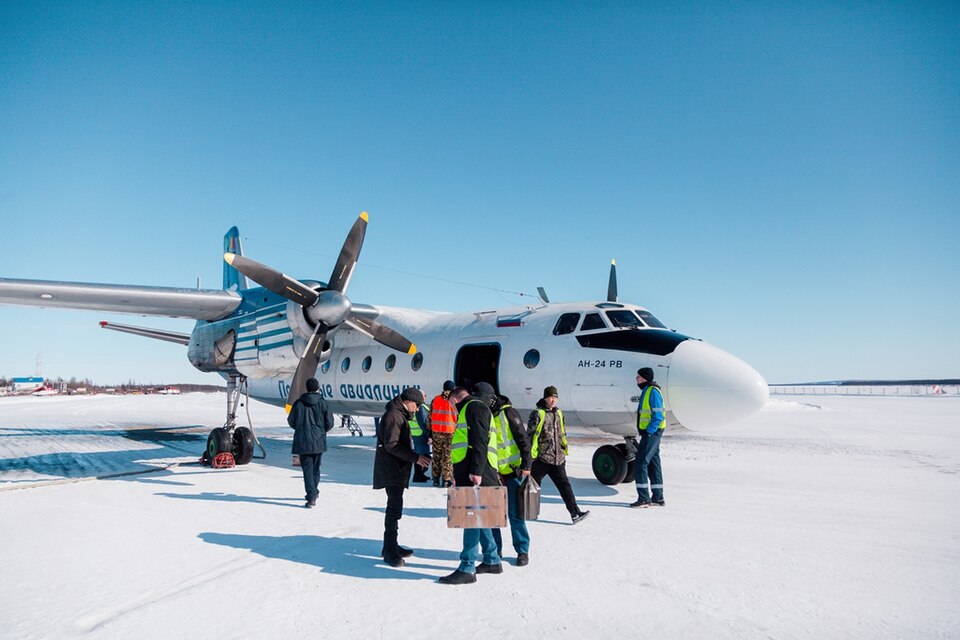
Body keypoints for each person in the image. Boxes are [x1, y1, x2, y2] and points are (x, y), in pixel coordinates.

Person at [438, 381, 503, 585]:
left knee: (471, 517)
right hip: (474, 471)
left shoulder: (473, 407)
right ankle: (492, 559)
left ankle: (467, 567)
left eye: (450, 404)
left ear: (455, 399)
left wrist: (476, 471)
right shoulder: (472, 408)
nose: (451, 408)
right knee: (479, 516)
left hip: (476, 473)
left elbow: (479, 441)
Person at [373, 387, 431, 567]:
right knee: (394, 508)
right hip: (392, 469)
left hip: (396, 468)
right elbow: (391, 445)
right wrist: (415, 457)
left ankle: (390, 546)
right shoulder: (394, 416)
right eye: (417, 405)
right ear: (408, 402)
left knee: (395, 507)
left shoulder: (400, 414)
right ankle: (390, 551)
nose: (418, 409)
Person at [528, 386, 590, 524]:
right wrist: (529, 457)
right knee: (533, 487)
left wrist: (562, 451)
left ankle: (575, 513)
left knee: (565, 486)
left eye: (555, 397)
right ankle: (529, 512)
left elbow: (562, 433)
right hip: (542, 458)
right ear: (545, 398)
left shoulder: (559, 413)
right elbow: (530, 436)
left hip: (558, 459)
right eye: (551, 397)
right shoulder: (537, 413)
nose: (553, 400)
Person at [491, 394, 533, 566]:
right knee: (493, 516)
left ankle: (522, 550)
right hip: (493, 475)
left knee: (516, 514)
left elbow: (524, 439)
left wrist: (526, 465)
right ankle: (495, 550)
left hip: (512, 473)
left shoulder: (508, 413)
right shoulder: (485, 414)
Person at [287, 377, 335, 508]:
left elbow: (291, 421)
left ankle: (312, 495)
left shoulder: (298, 403)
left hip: (303, 441)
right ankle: (314, 492)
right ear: (318, 388)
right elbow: (330, 422)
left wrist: (300, 429)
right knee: (316, 468)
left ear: (307, 388)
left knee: (307, 469)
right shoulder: (323, 403)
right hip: (318, 441)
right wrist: (321, 431)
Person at [631, 367, 666, 508]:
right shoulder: (647, 390)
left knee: (640, 463)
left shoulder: (653, 391)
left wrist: (650, 431)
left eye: (638, 376)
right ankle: (658, 497)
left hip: (652, 432)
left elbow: (658, 416)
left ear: (645, 378)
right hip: (651, 432)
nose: (636, 378)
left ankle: (644, 499)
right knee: (653, 463)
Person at [429, 380, 458, 487]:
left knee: (436, 455)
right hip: (450, 432)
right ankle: (446, 480)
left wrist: (430, 433)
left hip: (436, 431)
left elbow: (430, 417)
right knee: (447, 456)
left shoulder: (435, 399)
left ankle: (435, 479)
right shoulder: (455, 401)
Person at [410, 398, 432, 483]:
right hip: (421, 434)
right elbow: (423, 422)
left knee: (419, 454)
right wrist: (428, 434)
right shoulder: (421, 407)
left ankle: (419, 474)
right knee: (424, 455)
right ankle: (419, 475)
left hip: (416, 433)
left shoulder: (414, 406)